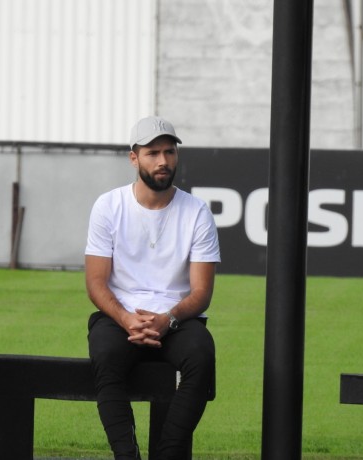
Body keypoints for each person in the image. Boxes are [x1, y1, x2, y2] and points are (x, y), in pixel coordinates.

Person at [85, 116, 220, 459]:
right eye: (153, 153)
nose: (163, 161)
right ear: (134, 158)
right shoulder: (109, 206)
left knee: (201, 354)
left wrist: (168, 319)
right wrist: (126, 318)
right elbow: (96, 284)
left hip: (177, 320)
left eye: (169, 152)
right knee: (105, 356)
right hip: (121, 317)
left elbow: (201, 292)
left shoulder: (197, 212)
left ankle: (168, 453)